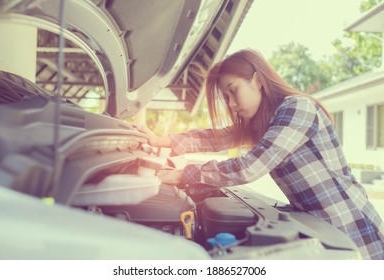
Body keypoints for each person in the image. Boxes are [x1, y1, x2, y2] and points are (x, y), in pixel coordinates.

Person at [133, 48, 384, 260]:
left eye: (233, 90)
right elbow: (218, 137)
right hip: (318, 228)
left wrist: (182, 175)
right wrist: (160, 140)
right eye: (226, 96)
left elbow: (248, 167)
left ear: (257, 80)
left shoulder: (298, 108)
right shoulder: (265, 122)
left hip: (349, 224)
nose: (231, 103)